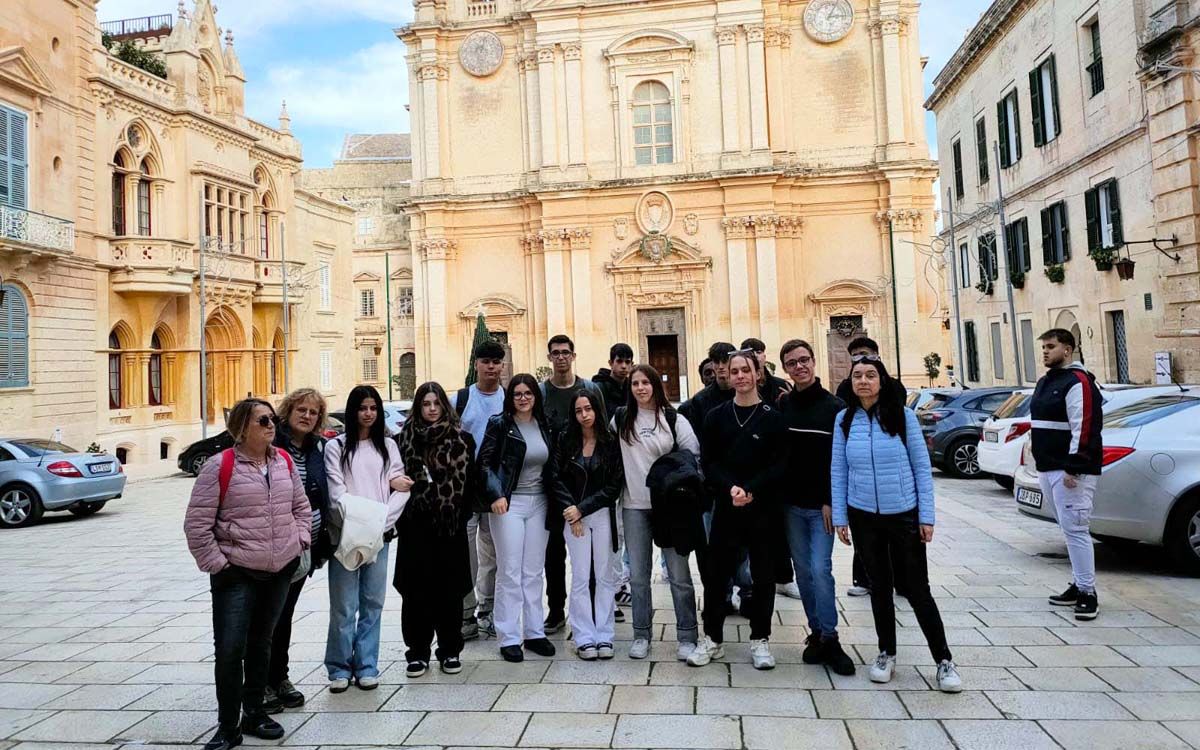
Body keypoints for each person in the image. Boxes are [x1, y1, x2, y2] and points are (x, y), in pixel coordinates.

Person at [184, 398, 311, 750]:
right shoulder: (218, 467)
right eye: (263, 420)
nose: (272, 425)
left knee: (261, 644)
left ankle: (254, 712)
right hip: (236, 573)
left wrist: (298, 538)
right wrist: (219, 564)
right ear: (241, 428)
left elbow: (301, 506)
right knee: (229, 650)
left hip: (278, 569)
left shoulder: (283, 461)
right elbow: (197, 525)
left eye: (272, 419)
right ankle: (228, 726)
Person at [831, 357, 962, 693]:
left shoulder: (902, 417)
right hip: (863, 516)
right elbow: (839, 471)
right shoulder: (844, 420)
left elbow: (922, 467)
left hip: (903, 513)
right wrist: (842, 517)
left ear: (882, 381)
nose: (863, 381)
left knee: (917, 589)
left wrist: (926, 517)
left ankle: (943, 659)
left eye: (870, 375)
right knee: (879, 587)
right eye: (857, 376)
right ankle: (886, 652)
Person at [689, 351, 787, 670]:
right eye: (735, 371)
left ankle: (760, 639)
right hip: (727, 506)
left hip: (762, 509)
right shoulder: (716, 416)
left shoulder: (773, 417)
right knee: (717, 576)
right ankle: (713, 639)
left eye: (747, 370)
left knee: (762, 576)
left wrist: (751, 489)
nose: (741, 376)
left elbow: (780, 463)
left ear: (758, 374)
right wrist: (730, 487)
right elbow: (709, 461)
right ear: (727, 377)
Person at [324, 385, 412, 692]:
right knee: (344, 605)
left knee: (373, 602)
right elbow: (337, 495)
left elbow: (401, 488)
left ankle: (366, 665)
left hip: (379, 536)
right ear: (353, 411)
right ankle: (338, 667)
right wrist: (362, 522)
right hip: (346, 536)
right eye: (363, 407)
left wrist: (379, 524)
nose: (369, 413)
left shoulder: (388, 447)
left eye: (373, 408)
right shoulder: (336, 447)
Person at [776, 340, 855, 676]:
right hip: (791, 505)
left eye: (804, 360)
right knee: (804, 572)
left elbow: (841, 460)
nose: (800, 367)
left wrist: (832, 501)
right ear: (785, 369)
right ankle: (817, 633)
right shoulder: (783, 405)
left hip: (821, 506)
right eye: (792, 363)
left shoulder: (835, 408)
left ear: (814, 361)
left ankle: (832, 637)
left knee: (821, 570)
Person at [615, 364, 703, 661]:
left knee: (679, 575)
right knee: (638, 576)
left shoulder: (673, 419)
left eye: (645, 382)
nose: (640, 388)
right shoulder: (621, 419)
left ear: (655, 385)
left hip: (670, 508)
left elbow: (693, 457)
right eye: (635, 383)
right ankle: (641, 634)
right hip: (634, 506)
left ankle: (688, 636)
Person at [395, 383, 477, 676]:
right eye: (425, 404)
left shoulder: (463, 440)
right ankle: (417, 652)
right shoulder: (401, 440)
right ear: (418, 407)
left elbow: (470, 484)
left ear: (444, 406)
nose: (431, 409)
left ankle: (450, 649)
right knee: (415, 592)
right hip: (415, 527)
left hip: (449, 527)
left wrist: (456, 513)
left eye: (436, 403)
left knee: (450, 590)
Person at [479, 373, 560, 662]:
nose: (523, 398)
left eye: (528, 393)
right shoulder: (499, 425)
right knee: (510, 570)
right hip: (509, 504)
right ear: (510, 397)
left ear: (535, 397)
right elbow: (484, 464)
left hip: (540, 503)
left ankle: (534, 632)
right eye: (518, 394)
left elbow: (554, 466)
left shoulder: (545, 425)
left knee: (533, 571)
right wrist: (495, 494)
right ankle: (509, 636)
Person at [264, 389, 331, 714]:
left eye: (313, 412)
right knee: (267, 618)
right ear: (288, 411)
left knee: (284, 616)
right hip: (275, 548)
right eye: (301, 410)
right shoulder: (272, 446)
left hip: (305, 549)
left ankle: (280, 678)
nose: (307, 416)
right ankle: (261, 683)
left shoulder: (317, 448)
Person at [1031, 328, 1103, 621]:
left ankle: (1088, 593)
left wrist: (1074, 466)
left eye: (1051, 346)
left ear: (1068, 350)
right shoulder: (1046, 381)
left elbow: (1083, 425)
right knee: (1067, 528)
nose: (1045, 351)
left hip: (1070, 470)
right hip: (1048, 467)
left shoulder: (1078, 381)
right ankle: (1078, 583)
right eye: (1044, 347)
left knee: (1076, 529)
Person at [551, 389, 624, 660]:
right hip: (573, 516)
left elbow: (613, 486)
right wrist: (573, 513)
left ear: (597, 410)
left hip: (599, 513)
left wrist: (582, 509)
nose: (584, 415)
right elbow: (555, 477)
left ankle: (604, 635)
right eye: (579, 410)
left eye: (588, 409)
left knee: (604, 575)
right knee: (581, 576)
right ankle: (583, 636)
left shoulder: (609, 441)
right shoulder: (565, 440)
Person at [540, 334, 604, 634]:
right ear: (550, 358)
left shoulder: (589, 389)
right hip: (552, 482)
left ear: (573, 355)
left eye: (566, 352)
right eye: (556, 353)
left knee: (589, 553)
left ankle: (590, 606)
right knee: (553, 552)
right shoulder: (542, 392)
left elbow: (601, 430)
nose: (561, 357)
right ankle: (555, 610)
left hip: (585, 483)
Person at [834, 336, 908, 599]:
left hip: (893, 490)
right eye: (854, 358)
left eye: (864, 355)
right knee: (864, 543)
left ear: (877, 355)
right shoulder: (844, 392)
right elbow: (839, 463)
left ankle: (902, 580)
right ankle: (864, 579)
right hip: (862, 490)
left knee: (899, 544)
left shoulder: (895, 389)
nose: (859, 363)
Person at [455, 340, 507, 640]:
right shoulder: (461, 399)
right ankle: (466, 613)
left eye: (495, 362)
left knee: (494, 553)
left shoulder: (509, 398)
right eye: (485, 361)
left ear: (502, 365)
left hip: (495, 488)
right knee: (465, 553)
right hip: (463, 487)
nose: (490, 367)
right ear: (476, 364)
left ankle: (488, 609)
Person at [740, 337, 791, 404]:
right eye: (750, 353)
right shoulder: (739, 388)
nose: (755, 355)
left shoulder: (782, 385)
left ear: (764, 356)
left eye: (758, 352)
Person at [593, 343, 634, 411]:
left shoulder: (632, 387)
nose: (624, 366)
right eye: (619, 361)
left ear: (631, 364)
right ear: (611, 363)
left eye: (627, 362)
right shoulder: (598, 388)